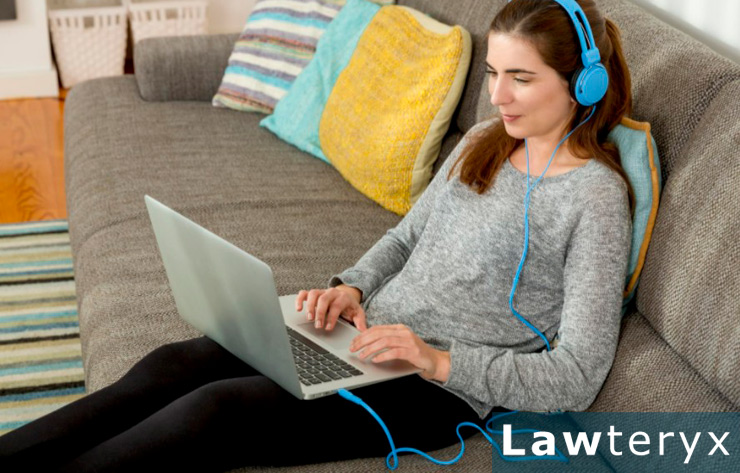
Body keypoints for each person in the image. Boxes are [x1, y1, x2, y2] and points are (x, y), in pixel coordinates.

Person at [0, 0, 635, 471]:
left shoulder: (595, 199)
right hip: (366, 334)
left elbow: (576, 375)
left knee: (214, 411)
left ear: (584, 84)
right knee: (175, 363)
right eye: (494, 73)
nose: (497, 95)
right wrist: (351, 287)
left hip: (438, 389)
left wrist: (435, 360)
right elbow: (406, 239)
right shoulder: (483, 142)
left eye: (520, 79)